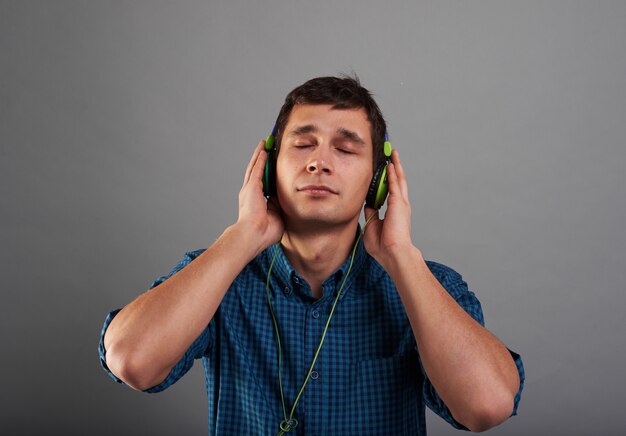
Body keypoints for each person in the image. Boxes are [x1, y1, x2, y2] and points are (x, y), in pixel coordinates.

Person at [99, 75, 525, 435]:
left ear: (378, 180)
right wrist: (242, 236)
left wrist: (400, 254)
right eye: (302, 145)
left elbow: (487, 406)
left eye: (345, 149)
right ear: (268, 169)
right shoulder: (217, 276)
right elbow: (131, 361)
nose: (319, 162)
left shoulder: (428, 286)